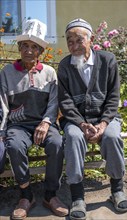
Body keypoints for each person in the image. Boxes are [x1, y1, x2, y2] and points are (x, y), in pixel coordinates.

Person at [58, 18, 127, 220]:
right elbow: (65, 102)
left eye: (79, 40)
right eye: (69, 41)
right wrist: (82, 124)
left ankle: (117, 190)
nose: (74, 46)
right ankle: (77, 197)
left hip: (105, 118)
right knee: (73, 138)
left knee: (112, 137)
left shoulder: (108, 60)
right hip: (76, 120)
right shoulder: (65, 65)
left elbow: (113, 97)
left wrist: (102, 123)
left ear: (91, 39)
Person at [0, 19, 68, 219]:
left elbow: (54, 103)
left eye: (34, 47)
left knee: (57, 143)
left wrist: (46, 122)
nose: (29, 50)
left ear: (40, 51)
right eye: (25, 46)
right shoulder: (7, 72)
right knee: (13, 145)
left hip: (43, 123)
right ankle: (26, 194)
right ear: (20, 48)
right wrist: (2, 132)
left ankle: (50, 194)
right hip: (18, 125)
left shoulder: (49, 72)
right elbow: (2, 104)